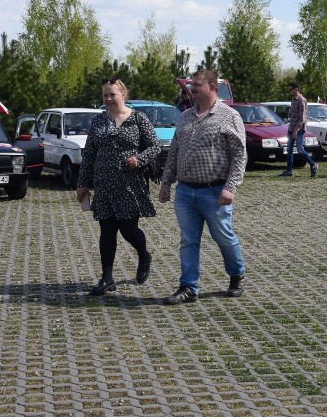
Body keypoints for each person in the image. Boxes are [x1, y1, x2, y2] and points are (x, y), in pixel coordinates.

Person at [159, 70, 247, 305]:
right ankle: (189, 287)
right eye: (191, 85)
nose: (192, 89)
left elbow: (239, 156)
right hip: (186, 192)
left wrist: (231, 187)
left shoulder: (229, 116)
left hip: (214, 192)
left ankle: (236, 274)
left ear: (212, 87)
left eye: (197, 85)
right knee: (188, 240)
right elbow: (175, 152)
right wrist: (166, 182)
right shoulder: (185, 116)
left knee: (223, 237)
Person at [75, 77, 160, 296]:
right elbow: (89, 154)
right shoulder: (98, 121)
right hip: (104, 184)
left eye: (112, 94)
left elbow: (154, 146)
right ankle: (107, 278)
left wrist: (139, 159)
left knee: (128, 229)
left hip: (130, 184)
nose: (108, 98)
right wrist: (83, 184)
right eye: (105, 95)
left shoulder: (138, 119)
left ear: (123, 94)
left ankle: (144, 255)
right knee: (107, 231)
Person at [279, 82, 318, 178]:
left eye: (290, 89)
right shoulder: (293, 100)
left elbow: (302, 118)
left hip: (298, 129)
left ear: (296, 89)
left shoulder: (301, 100)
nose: (289, 91)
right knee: (289, 150)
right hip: (291, 128)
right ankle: (289, 170)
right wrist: (291, 128)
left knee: (300, 149)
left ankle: (313, 165)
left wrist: (296, 130)